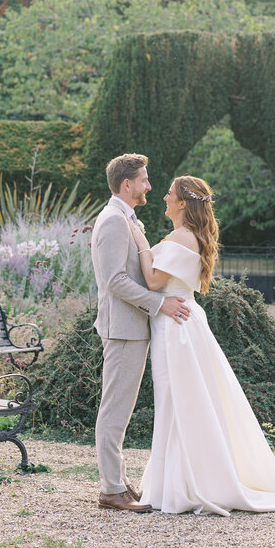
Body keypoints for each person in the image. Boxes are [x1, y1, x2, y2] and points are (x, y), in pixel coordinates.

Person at [128, 175, 275, 515]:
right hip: (177, 321)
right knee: (177, 402)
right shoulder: (186, 235)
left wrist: (139, 240)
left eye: (169, 194)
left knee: (179, 402)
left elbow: (152, 280)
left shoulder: (182, 236)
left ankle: (185, 484)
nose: (163, 196)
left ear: (182, 203)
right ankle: (175, 480)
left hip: (177, 326)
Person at [90, 153, 192, 513]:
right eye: (144, 180)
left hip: (132, 329)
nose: (150, 186)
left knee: (120, 408)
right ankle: (111, 490)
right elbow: (115, 280)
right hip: (123, 330)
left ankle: (115, 483)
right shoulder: (114, 222)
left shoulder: (125, 218)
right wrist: (159, 303)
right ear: (127, 184)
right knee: (114, 410)